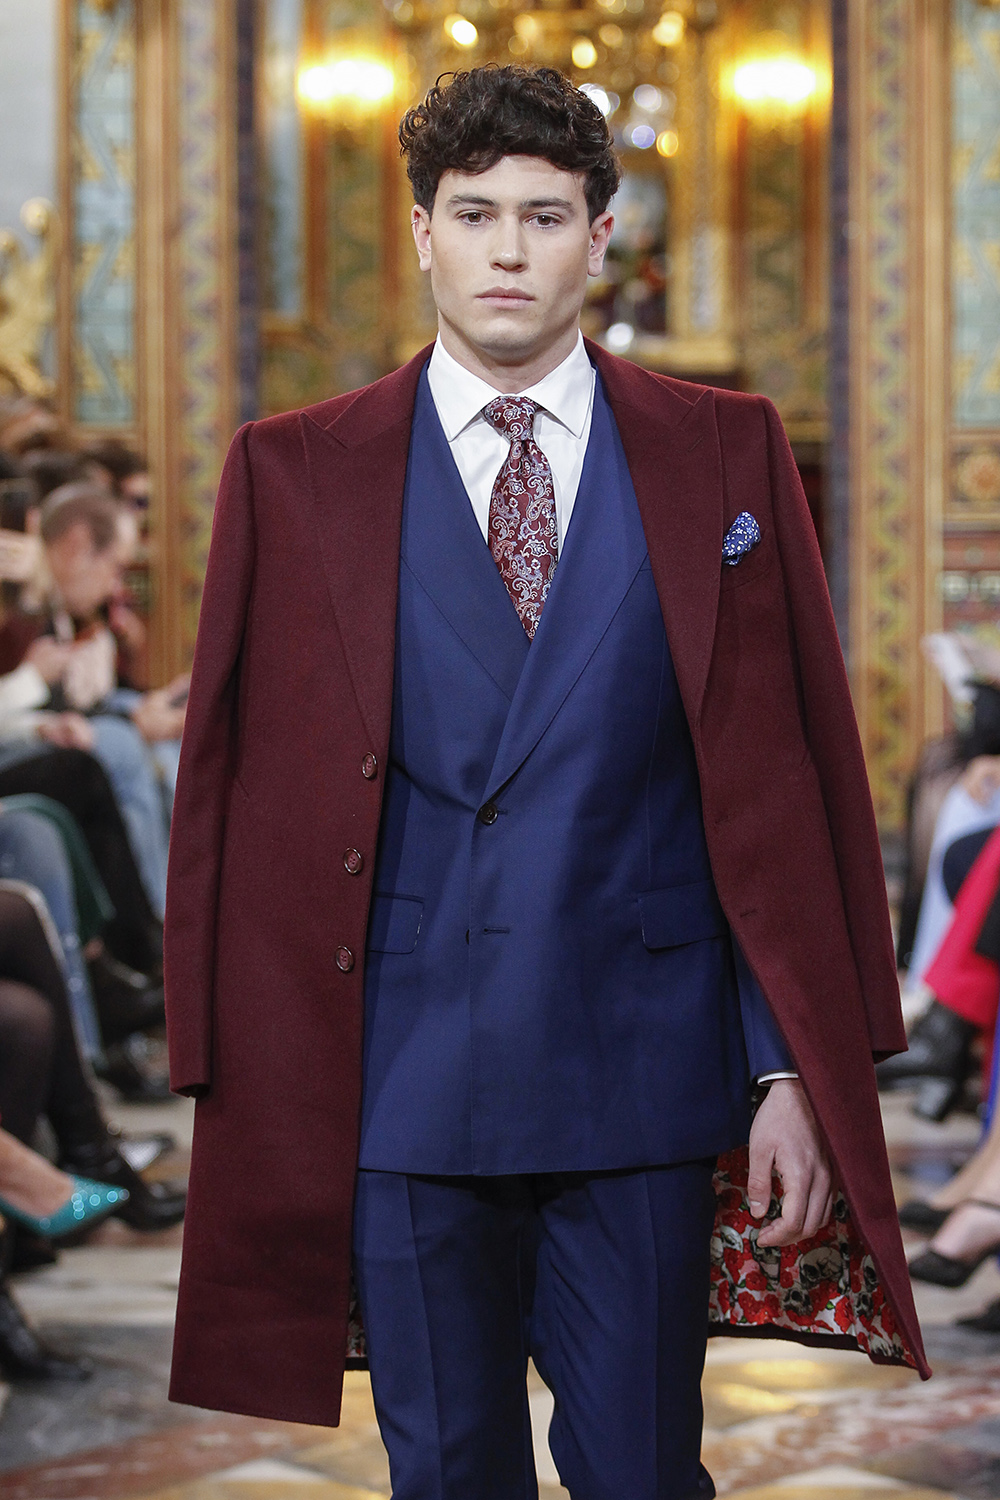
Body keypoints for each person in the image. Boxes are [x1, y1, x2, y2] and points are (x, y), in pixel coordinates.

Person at [165, 66, 925, 1500]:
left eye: (544, 215)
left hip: (644, 1059)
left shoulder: (724, 448)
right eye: (474, 215)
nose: (508, 250)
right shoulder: (293, 469)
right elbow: (228, 780)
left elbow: (787, 772)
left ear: (600, 235)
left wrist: (789, 1067)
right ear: (422, 235)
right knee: (448, 1474)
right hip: (399, 1064)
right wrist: (224, 1060)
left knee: (645, 1473)